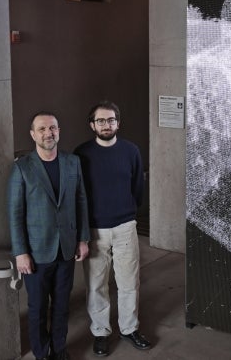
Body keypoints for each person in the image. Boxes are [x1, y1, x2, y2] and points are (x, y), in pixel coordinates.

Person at [7, 112, 90, 360]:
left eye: (52, 128)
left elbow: (81, 200)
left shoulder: (72, 162)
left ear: (59, 131)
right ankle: (42, 354)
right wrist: (21, 252)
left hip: (66, 248)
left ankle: (60, 349)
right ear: (33, 134)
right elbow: (15, 213)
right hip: (36, 252)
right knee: (37, 309)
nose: (48, 133)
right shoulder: (22, 168)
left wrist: (83, 238)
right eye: (42, 129)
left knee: (62, 306)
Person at [74, 100, 151, 357]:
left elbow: (138, 189)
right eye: (101, 120)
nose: (106, 125)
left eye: (111, 120)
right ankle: (100, 332)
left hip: (125, 226)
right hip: (95, 229)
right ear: (92, 125)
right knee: (96, 285)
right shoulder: (81, 154)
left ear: (118, 123)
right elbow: (78, 194)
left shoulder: (131, 151)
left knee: (129, 282)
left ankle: (129, 329)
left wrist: (127, 212)